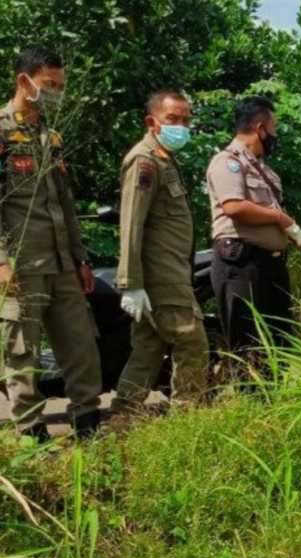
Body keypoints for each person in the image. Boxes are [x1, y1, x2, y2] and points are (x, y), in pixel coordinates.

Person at [0, 46, 102, 440]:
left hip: (62, 264)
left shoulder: (51, 135)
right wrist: (2, 263)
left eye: (61, 86)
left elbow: (65, 203)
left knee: (80, 346)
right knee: (22, 353)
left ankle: (88, 422)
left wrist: (80, 257)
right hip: (21, 265)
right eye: (50, 85)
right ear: (24, 81)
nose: (57, 93)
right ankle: (31, 433)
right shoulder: (2, 131)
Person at [111, 90, 209, 416]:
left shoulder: (165, 158)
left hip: (171, 270)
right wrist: (130, 282)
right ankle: (187, 416)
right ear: (152, 122)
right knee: (191, 341)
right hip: (159, 273)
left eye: (185, 119)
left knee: (149, 348)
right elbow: (131, 223)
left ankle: (123, 417)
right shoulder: (145, 161)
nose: (181, 126)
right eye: (172, 119)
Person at [206, 96, 301, 361]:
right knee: (249, 346)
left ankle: (275, 400)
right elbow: (234, 206)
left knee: (279, 344)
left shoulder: (263, 171)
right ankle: (252, 402)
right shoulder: (227, 161)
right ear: (260, 127)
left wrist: (298, 235)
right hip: (242, 262)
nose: (275, 134)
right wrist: (283, 221)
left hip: (270, 265)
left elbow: (271, 213)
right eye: (274, 128)